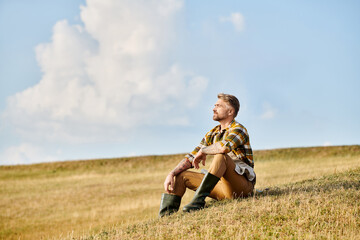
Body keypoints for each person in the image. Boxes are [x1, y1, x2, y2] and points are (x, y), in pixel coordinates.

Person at [159, 93, 256, 217]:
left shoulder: (239, 129)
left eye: (218, 106)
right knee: (181, 175)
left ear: (230, 111)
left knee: (221, 156)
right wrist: (171, 173)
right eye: (214, 105)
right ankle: (166, 216)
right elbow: (191, 157)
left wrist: (204, 151)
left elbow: (224, 147)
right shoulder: (212, 133)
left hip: (242, 188)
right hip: (222, 188)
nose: (213, 108)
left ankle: (197, 203)